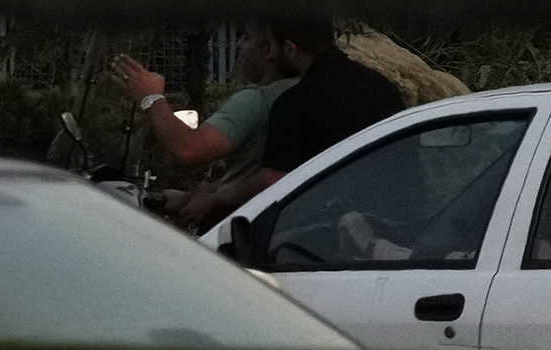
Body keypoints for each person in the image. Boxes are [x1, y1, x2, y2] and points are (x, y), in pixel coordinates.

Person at [115, 18, 407, 226]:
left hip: (318, 237)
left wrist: (150, 98)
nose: (242, 47)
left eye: (247, 38)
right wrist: (201, 194)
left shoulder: (292, 101)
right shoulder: (381, 87)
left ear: (284, 49)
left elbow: (273, 179)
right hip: (393, 221)